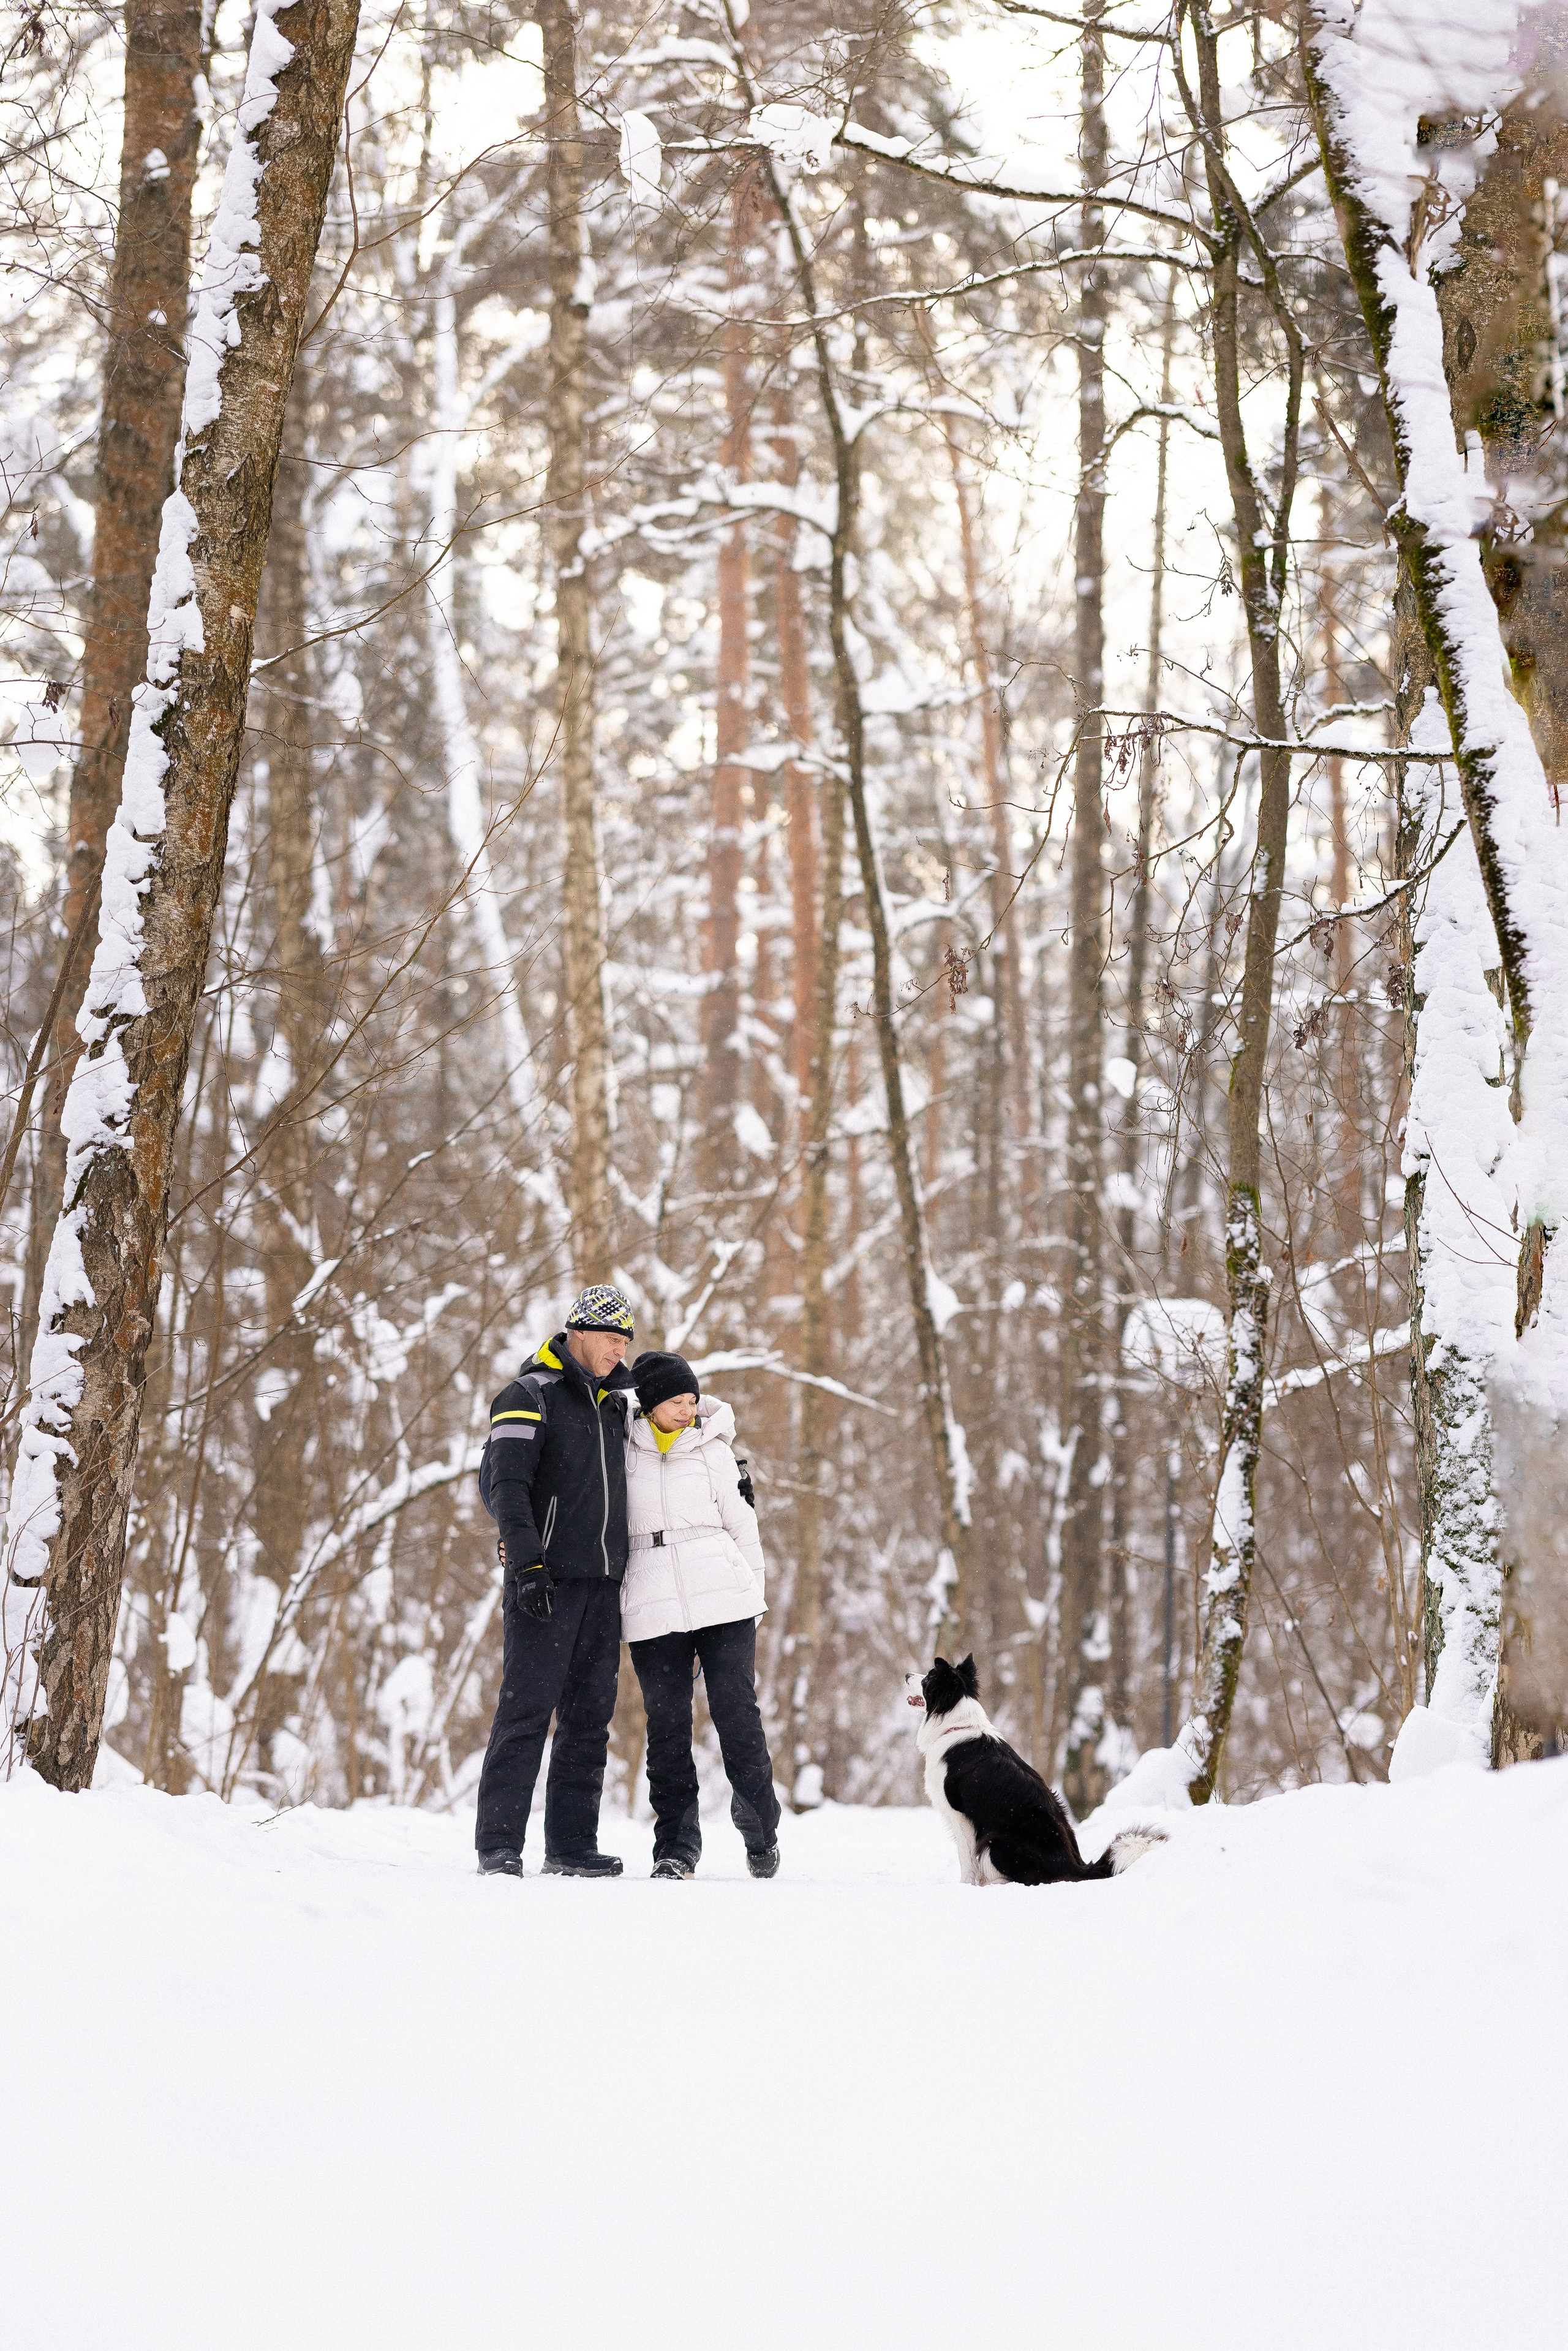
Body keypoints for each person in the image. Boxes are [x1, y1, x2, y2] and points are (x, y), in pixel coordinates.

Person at [474, 1283, 639, 1879]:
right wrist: (526, 1563)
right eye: (610, 1337)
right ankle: (497, 1844)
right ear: (579, 1332)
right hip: (543, 1581)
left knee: (589, 1719)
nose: (618, 1351)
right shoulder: (527, 1394)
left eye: (625, 1340)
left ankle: (570, 1844)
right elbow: (503, 1486)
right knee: (525, 1712)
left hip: (603, 1584)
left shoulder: (618, 1405)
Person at [622, 1349, 782, 1881]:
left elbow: (744, 1525)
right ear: (648, 1403)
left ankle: (761, 1825)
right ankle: (676, 1847)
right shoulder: (622, 1449)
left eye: (692, 1400)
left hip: (725, 1597)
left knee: (737, 1712)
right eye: (675, 1401)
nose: (688, 1410)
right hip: (652, 1601)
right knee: (667, 1726)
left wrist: (752, 1594)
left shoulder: (715, 1449)